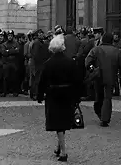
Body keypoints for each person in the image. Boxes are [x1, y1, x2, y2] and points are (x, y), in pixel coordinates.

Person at [37, 34, 83, 162]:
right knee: (62, 121)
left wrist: (40, 95)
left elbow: (42, 81)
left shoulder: (48, 64)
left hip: (54, 94)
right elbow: (77, 80)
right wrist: (77, 96)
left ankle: (63, 151)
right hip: (68, 94)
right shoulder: (70, 62)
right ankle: (59, 146)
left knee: (58, 123)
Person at [85, 33, 121, 127]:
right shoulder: (117, 51)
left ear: (102, 40)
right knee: (107, 98)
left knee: (99, 95)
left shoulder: (96, 49)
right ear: (112, 40)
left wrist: (92, 69)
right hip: (111, 77)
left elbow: (87, 62)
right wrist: (120, 73)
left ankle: (99, 112)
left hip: (98, 76)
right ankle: (105, 118)